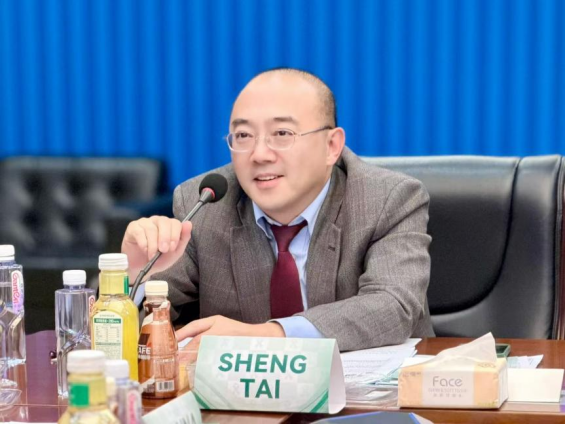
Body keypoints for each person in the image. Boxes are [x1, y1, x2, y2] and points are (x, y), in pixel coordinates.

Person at [122, 68, 434, 352]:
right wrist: (132, 277)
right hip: (244, 396)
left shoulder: (386, 198)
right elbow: (146, 320)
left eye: (282, 134)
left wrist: (269, 335)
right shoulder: (206, 203)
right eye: (243, 136)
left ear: (331, 146)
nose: (259, 154)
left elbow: (393, 305)